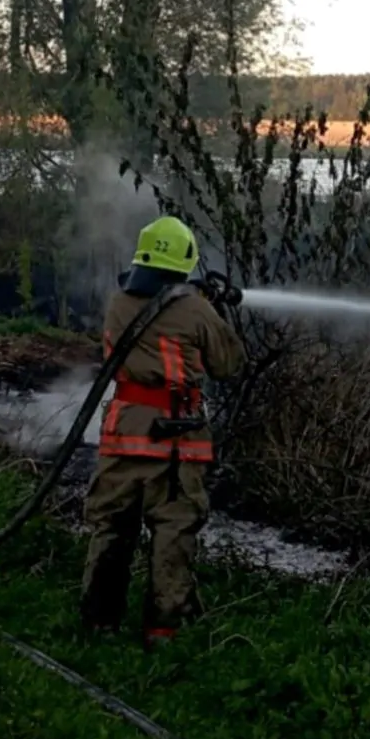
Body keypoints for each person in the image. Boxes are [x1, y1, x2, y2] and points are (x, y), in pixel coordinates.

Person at [79, 215, 245, 648]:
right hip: (175, 439)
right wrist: (214, 309)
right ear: (184, 261)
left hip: (122, 432)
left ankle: (99, 623)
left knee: (112, 526)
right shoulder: (194, 309)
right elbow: (228, 364)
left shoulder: (118, 301)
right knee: (173, 530)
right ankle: (163, 630)